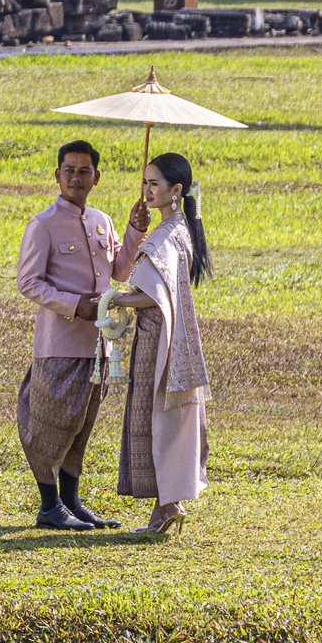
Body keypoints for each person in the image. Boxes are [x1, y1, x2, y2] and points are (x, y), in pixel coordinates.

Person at [16, 141, 146, 531]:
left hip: (98, 345)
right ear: (57, 175)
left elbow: (120, 271)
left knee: (81, 424)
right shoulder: (42, 225)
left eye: (84, 171)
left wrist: (135, 229)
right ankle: (49, 505)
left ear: (96, 177)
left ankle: (71, 501)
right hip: (59, 343)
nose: (76, 177)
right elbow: (29, 283)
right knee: (49, 422)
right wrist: (77, 305)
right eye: (69, 170)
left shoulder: (102, 222)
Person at [106, 153, 212, 537]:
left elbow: (154, 294)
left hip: (157, 337)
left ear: (176, 190)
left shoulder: (167, 235)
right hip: (175, 335)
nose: (147, 190)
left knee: (153, 416)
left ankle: (168, 504)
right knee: (164, 416)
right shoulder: (179, 229)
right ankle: (165, 507)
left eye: (154, 183)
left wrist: (118, 299)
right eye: (145, 182)